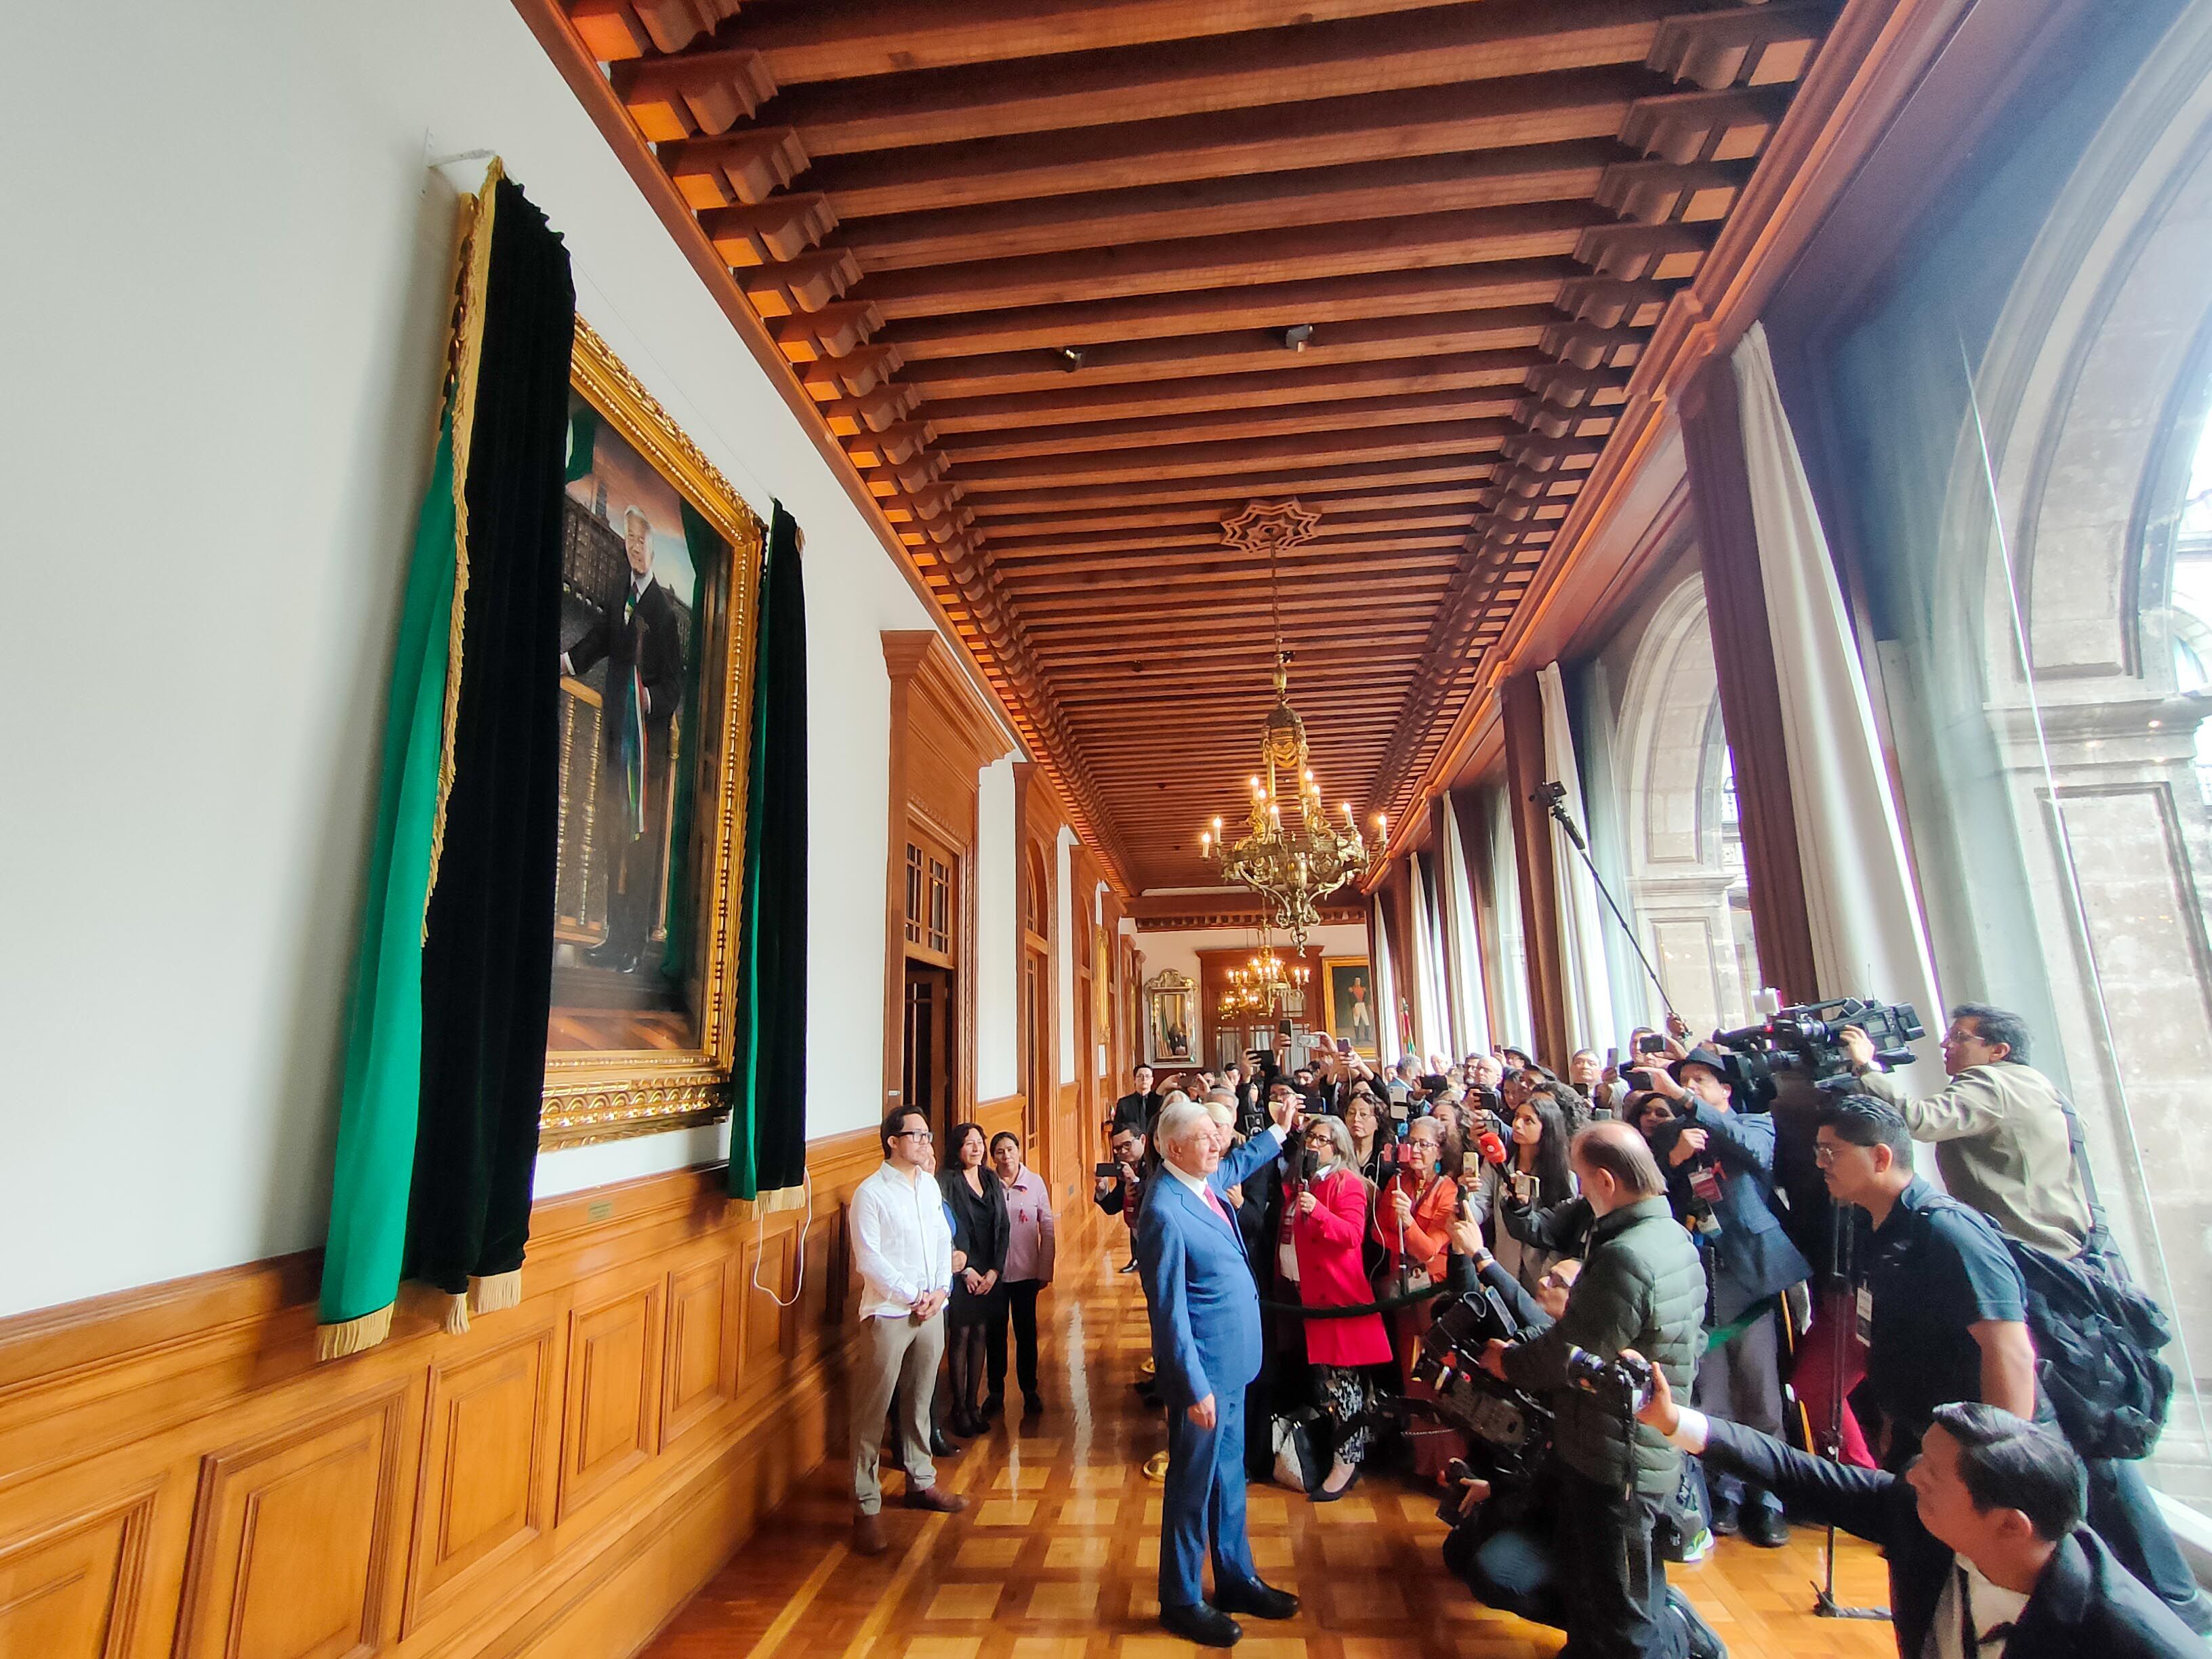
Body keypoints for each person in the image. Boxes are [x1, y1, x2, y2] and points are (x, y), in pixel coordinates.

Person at [1633, 1368, 2206, 1659]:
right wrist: (1672, 1421)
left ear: (2011, 1525)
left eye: (1932, 1475)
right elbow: (1794, 1471)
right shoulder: (1919, 1516)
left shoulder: (2130, 1638)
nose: (1910, 1479)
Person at [1482, 1123, 1709, 1659]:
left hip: (1618, 1458)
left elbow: (1574, 1353)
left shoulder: (1626, 1255)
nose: (1581, 1192)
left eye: (1584, 1180)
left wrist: (1507, 1362)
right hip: (1634, 1447)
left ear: (1606, 1180)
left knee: (1620, 1617)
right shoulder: (1671, 1234)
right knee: (1606, 1595)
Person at [1138, 1095, 1304, 1647]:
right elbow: (1168, 1313)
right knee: (1191, 1488)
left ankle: (1235, 1578)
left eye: (1218, 1134)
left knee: (1229, 1479)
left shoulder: (1200, 1179)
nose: (1219, 1143)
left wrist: (1277, 1134)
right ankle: (1181, 1598)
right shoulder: (1163, 1208)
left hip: (1234, 1365)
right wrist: (1190, 1387)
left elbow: (1235, 1164)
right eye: (1207, 1136)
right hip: (1203, 1377)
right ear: (1174, 1147)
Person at [1650, 1047, 1810, 1549]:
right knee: (1711, 1399)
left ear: (1725, 1090)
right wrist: (1672, 1164)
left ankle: (1769, 1498)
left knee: (1761, 1398)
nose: (1691, 1087)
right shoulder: (1673, 1136)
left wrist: (1693, 1107)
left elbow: (1756, 1156)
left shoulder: (1753, 1123)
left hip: (1753, 1280)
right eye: (1685, 1080)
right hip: (1702, 1280)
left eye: (1702, 1080)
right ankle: (1725, 1492)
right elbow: (1654, 1197)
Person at [1839, 1003, 2089, 1261]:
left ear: (1998, 1051)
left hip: (2019, 1251)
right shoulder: (2042, 1089)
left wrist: (1866, 1068)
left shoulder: (1992, 1082)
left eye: (1960, 1037)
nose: (1945, 1045)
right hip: (2060, 1250)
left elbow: (1917, 1121)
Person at [561, 505, 686, 972]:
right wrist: (568, 663)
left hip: (646, 752)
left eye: (642, 540)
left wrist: (645, 700)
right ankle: (614, 936)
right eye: (629, 539)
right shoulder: (619, 594)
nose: (635, 546)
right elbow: (599, 638)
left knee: (639, 843)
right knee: (614, 834)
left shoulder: (664, 616)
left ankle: (633, 944)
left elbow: (674, 686)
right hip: (617, 741)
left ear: (653, 549)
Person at [846, 1109, 965, 1555]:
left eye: (927, 1134)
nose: (925, 1141)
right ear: (892, 1141)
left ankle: (921, 1481)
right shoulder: (870, 1194)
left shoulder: (929, 1186)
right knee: (873, 1410)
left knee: (920, 1401)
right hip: (888, 1312)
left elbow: (940, 1240)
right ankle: (866, 1504)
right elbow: (869, 1259)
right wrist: (912, 1292)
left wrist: (940, 1289)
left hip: (930, 1308)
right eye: (915, 1135)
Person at [1279, 1113, 1393, 1500]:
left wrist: (1318, 1211)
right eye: (1310, 1136)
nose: (1313, 1143)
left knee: (1346, 1387)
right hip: (1310, 1298)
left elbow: (1350, 1235)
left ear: (1338, 1146)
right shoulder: (1307, 1180)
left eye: (1322, 1139)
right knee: (1329, 1386)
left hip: (1339, 1299)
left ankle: (1347, 1462)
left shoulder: (1346, 1183)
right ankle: (1339, 1453)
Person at [939, 1122, 1008, 1437]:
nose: (976, 1149)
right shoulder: (947, 1181)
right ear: (957, 1149)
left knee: (982, 1333)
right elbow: (945, 1230)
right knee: (961, 1336)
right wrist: (965, 1271)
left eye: (980, 1142)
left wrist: (995, 1270)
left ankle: (973, 1403)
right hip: (962, 1270)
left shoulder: (991, 1178)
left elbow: (1003, 1226)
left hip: (989, 1270)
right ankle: (958, 1408)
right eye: (969, 1144)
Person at [1476, 1088, 1574, 1296]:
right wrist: (1465, 1200)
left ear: (1547, 1129)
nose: (1517, 1125)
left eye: (1529, 1121)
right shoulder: (1499, 1163)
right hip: (1504, 1266)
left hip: (1542, 1274)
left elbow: (1564, 1232)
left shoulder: (1563, 1174)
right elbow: (1480, 1204)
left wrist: (1548, 1276)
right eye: (1517, 1118)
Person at [985, 1131, 1054, 1418]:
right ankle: (995, 1391)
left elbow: (1047, 1227)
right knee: (995, 1334)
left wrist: (1045, 1268)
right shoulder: (987, 1184)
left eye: (1011, 1150)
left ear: (1019, 1152)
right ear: (993, 1157)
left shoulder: (1035, 1182)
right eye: (1000, 1152)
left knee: (1026, 1333)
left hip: (1027, 1272)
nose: (1006, 1157)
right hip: (995, 1275)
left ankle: (1030, 1389)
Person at [1113, 1065, 1160, 1141]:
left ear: (1152, 1080)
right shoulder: (1124, 1103)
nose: (1144, 1079)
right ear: (1134, 1080)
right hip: (1133, 1145)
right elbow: (1117, 1130)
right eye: (1140, 1076)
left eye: (1147, 1076)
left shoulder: (1159, 1101)